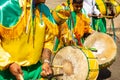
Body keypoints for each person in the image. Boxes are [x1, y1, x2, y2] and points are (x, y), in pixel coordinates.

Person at [0, 0, 58, 80]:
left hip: (36, 72)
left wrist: (46, 62)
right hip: (8, 73)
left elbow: (48, 41)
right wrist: (9, 64)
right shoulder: (5, 8)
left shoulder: (45, 11)